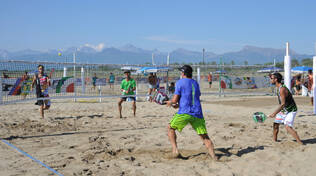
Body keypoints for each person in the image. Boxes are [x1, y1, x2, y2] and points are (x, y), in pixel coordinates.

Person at [166, 65, 218, 160]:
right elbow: (191, 98)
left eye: (181, 72)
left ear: (183, 73)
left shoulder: (180, 82)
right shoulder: (195, 83)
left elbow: (174, 100)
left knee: (170, 128)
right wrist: (177, 105)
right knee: (204, 136)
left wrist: (169, 102)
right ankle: (214, 156)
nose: (180, 74)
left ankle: (175, 150)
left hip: (185, 112)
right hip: (197, 113)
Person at [268, 72, 303, 145]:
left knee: (287, 127)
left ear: (276, 79)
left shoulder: (282, 89)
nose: (270, 80)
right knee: (275, 125)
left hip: (291, 110)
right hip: (284, 109)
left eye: (271, 78)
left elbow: (283, 104)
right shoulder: (278, 87)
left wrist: (274, 113)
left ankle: (300, 143)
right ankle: (274, 141)